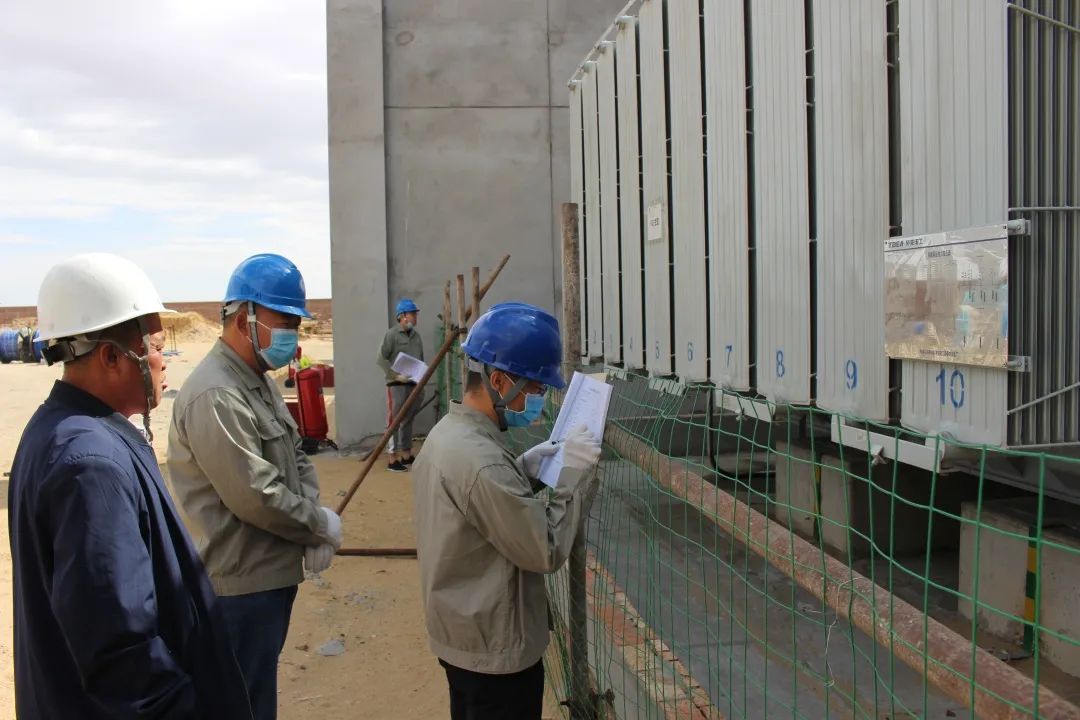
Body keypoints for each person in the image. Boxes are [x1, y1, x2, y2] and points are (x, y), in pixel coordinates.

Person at [8, 252, 253, 719]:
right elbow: (121, 648)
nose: (164, 363)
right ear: (112, 357)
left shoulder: (64, 432)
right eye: (157, 346)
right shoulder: (90, 464)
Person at [166, 253, 342, 720]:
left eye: (296, 324)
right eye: (283, 321)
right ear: (244, 317)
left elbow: (297, 454)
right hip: (236, 589)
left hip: (266, 578)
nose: (292, 334)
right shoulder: (217, 393)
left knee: (256, 697)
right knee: (241, 705)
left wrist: (311, 516)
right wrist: (316, 526)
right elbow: (256, 495)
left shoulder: (256, 381)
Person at [412, 302, 602, 720]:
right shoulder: (481, 461)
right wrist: (574, 477)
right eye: (534, 388)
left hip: (464, 635)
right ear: (499, 380)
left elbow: (478, 508)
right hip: (494, 652)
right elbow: (545, 549)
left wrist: (524, 471)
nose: (538, 400)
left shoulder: (449, 435)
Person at [377, 297, 424, 472]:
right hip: (397, 385)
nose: (415, 317)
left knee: (408, 420)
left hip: (414, 384)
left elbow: (420, 359)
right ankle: (392, 457)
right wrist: (395, 375)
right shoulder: (391, 335)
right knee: (394, 421)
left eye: (415, 314)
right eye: (413, 314)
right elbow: (381, 358)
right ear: (402, 315)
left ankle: (406, 454)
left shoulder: (416, 337)